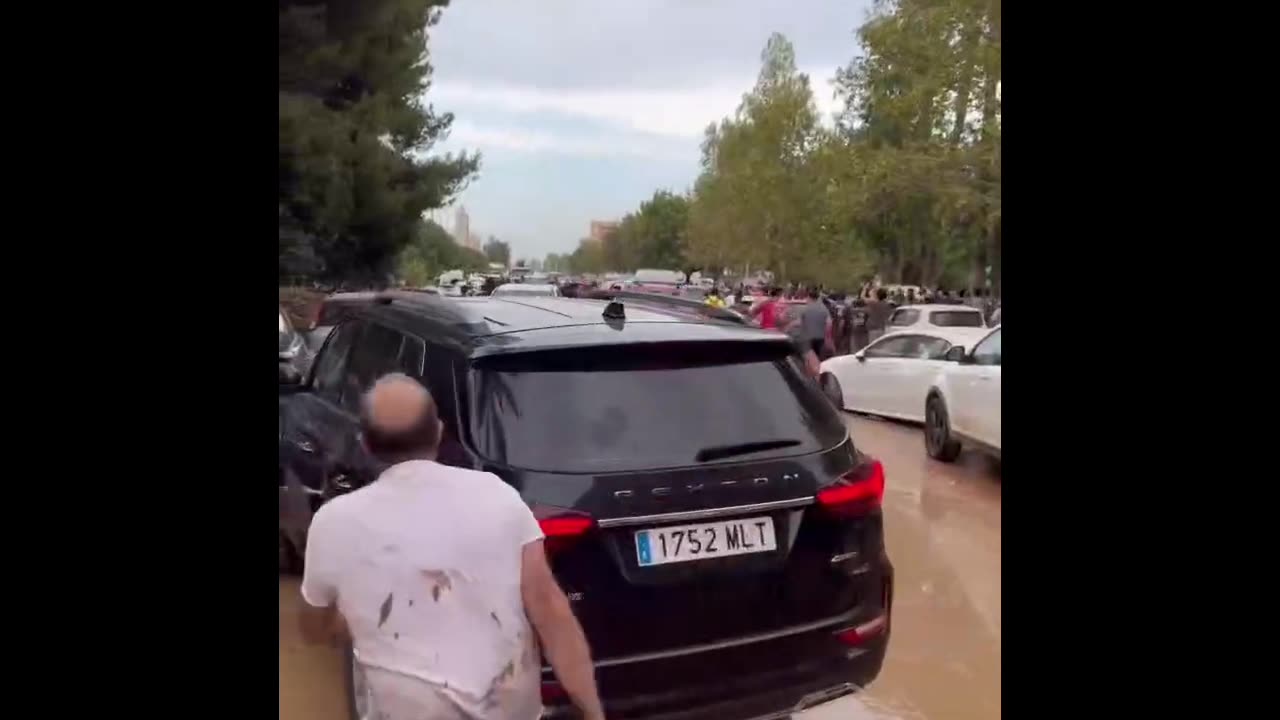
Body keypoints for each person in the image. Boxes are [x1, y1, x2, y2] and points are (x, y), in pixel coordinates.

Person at [300, 375, 605, 720]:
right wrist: (592, 710)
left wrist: (345, 617)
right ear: (439, 431)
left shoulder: (334, 521)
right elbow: (551, 613)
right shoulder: (497, 495)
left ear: (365, 444)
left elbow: (313, 627)